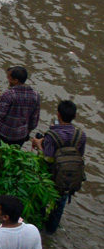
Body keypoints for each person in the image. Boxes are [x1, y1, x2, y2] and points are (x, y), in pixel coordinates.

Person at [32, 99, 86, 234]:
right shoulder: (80, 135)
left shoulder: (52, 135)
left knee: (42, 201)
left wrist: (38, 144)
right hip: (69, 177)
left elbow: (48, 158)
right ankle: (50, 232)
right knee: (59, 206)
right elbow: (80, 154)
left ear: (58, 114)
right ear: (74, 116)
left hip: (51, 176)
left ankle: (39, 230)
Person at [0, 66, 42, 148]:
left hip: (3, 132)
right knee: (13, 156)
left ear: (16, 80)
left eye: (9, 77)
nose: (7, 79)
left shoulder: (8, 94)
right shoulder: (35, 96)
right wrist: (27, 133)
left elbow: (0, 113)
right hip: (20, 136)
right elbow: (34, 120)